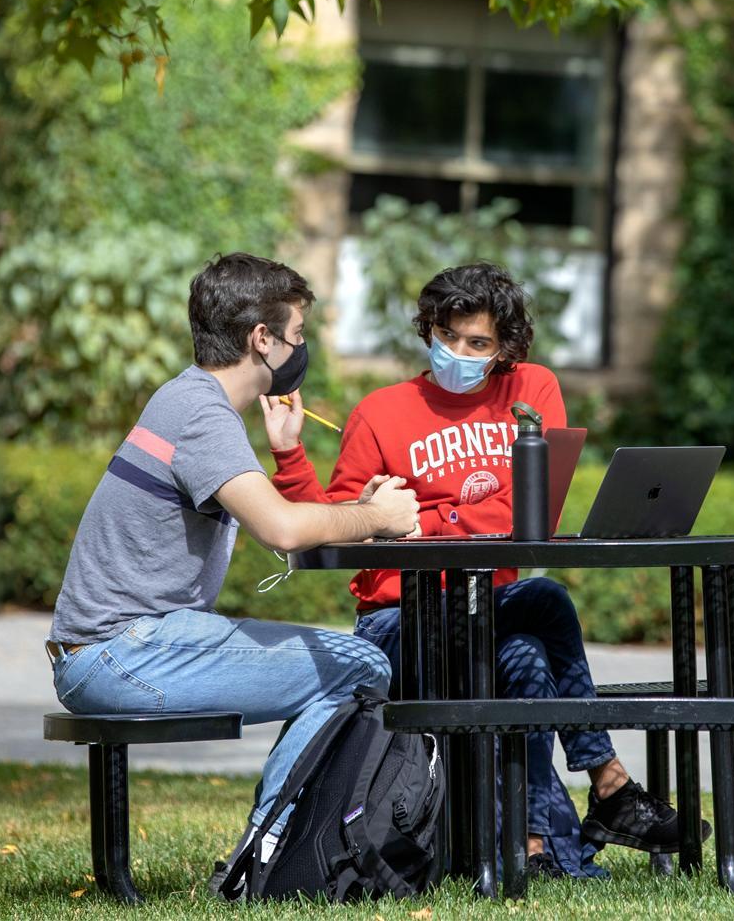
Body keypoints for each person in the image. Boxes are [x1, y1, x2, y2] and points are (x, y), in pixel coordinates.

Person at [266, 262, 708, 878]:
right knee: (547, 603)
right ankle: (607, 786)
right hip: (400, 620)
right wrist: (291, 454)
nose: (459, 353)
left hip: (490, 613)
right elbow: (343, 523)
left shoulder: (530, 392)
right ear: (429, 329)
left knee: (527, 652)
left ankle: (529, 846)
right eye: (447, 336)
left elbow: (531, 507)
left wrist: (427, 513)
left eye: (478, 344)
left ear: (505, 349)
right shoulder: (381, 412)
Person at [46, 252, 419, 896]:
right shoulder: (203, 416)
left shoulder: (185, 399)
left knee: (351, 665)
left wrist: (305, 467)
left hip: (114, 650)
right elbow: (283, 530)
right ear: (262, 340)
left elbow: (282, 525)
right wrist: (377, 515)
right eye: (297, 336)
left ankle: (288, 841)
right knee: (361, 665)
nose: (301, 350)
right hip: (124, 654)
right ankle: (267, 852)